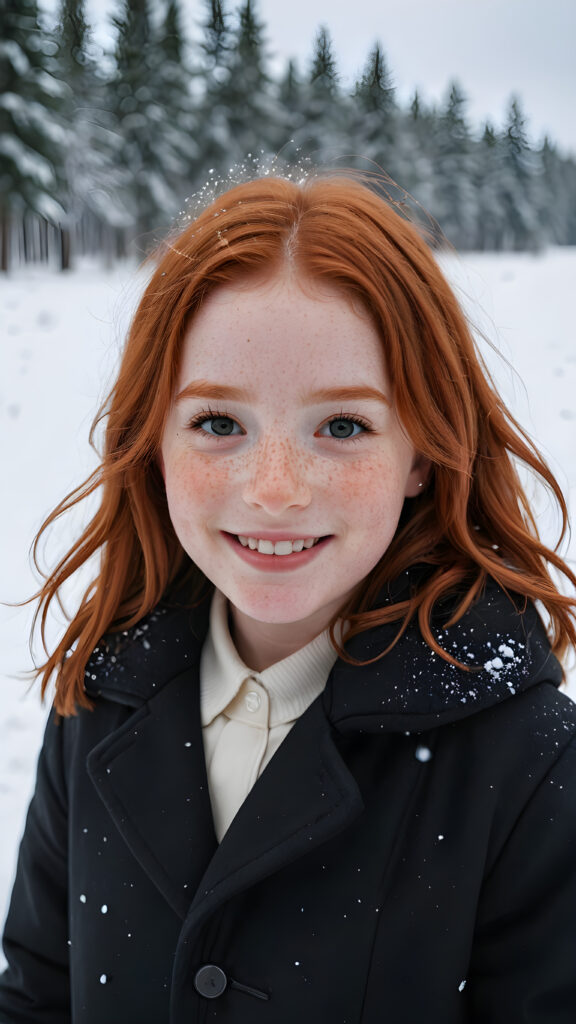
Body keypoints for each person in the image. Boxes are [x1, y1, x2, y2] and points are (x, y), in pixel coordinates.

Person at [1, 173, 575, 1024]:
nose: (274, 491)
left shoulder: (529, 763)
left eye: (342, 426)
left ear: (423, 453)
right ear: (153, 441)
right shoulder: (100, 698)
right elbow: (37, 994)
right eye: (218, 424)